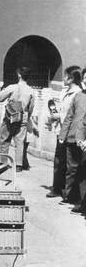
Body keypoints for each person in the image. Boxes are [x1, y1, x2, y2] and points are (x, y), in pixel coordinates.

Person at [46, 66, 82, 199]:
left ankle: (68, 192)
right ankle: (57, 188)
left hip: (71, 133)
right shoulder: (65, 92)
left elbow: (73, 115)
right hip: (61, 131)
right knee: (59, 161)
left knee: (70, 164)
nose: (63, 78)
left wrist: (59, 116)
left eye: (65, 75)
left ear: (71, 78)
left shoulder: (77, 94)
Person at [0, 67, 34, 172]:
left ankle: (3, 163)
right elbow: (31, 107)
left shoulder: (12, 87)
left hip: (10, 116)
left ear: (19, 75)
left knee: (5, 140)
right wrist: (27, 116)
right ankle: (18, 165)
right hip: (23, 117)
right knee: (20, 142)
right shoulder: (31, 90)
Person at [58, 73, 86, 209]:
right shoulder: (78, 96)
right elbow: (69, 116)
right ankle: (69, 196)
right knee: (71, 169)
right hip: (72, 137)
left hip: (84, 141)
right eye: (85, 77)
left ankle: (81, 202)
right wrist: (63, 134)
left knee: (83, 172)